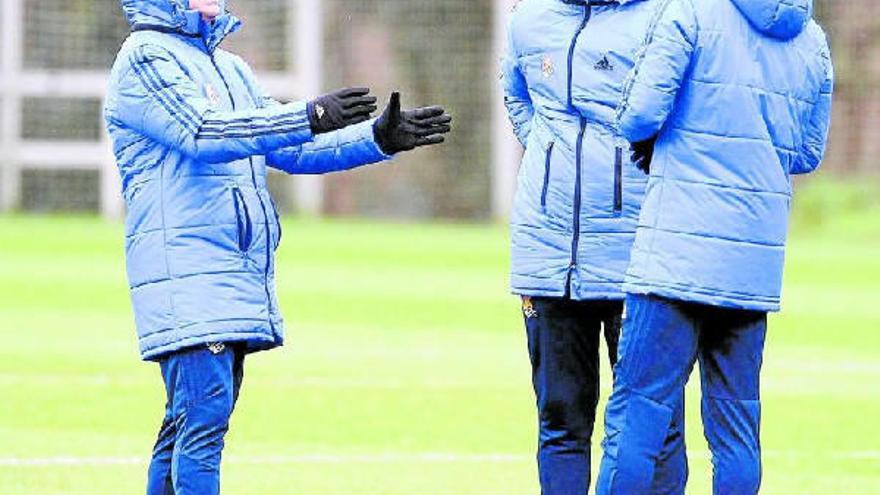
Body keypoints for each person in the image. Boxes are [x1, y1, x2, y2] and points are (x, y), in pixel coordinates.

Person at [104, 1, 452, 493]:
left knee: (187, 423)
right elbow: (203, 132)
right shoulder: (144, 58)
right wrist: (309, 114)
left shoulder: (230, 68)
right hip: (187, 270)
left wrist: (376, 138)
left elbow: (291, 146)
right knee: (201, 425)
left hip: (228, 274)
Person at [596, 0, 833, 493]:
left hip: (673, 259)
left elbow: (638, 115)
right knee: (736, 433)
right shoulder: (811, 37)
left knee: (637, 416)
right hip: (752, 265)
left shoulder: (690, 12)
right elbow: (808, 152)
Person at [500, 0, 686, 493]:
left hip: (641, 256)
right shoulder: (527, 19)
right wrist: (548, 152)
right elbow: (517, 96)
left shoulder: (665, 17)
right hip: (547, 254)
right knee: (560, 419)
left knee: (654, 427)